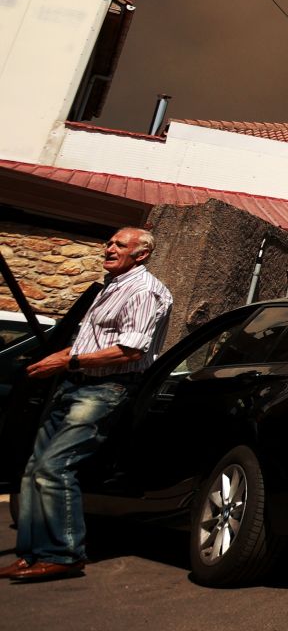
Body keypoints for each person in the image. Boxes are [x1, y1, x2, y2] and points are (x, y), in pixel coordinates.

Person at [3, 227, 173, 584]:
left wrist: (67, 362)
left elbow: (130, 349)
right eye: (109, 242)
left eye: (119, 245)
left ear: (141, 254)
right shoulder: (111, 287)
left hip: (106, 388)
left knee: (55, 467)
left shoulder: (144, 291)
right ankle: (32, 555)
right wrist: (54, 361)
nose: (109, 248)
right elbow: (90, 342)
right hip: (76, 384)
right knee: (33, 470)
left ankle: (63, 555)